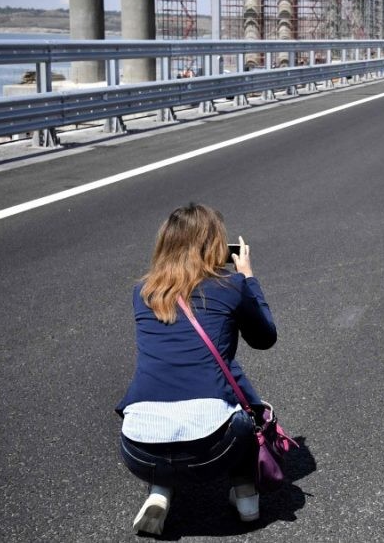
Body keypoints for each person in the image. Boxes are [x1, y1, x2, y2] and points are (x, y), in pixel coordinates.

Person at [116, 203, 277, 535]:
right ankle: (246, 495)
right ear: (215, 245)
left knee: (165, 415)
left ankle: (159, 491)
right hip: (214, 448)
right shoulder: (230, 286)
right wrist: (248, 277)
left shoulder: (143, 292)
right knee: (245, 411)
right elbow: (264, 338)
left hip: (136, 448)